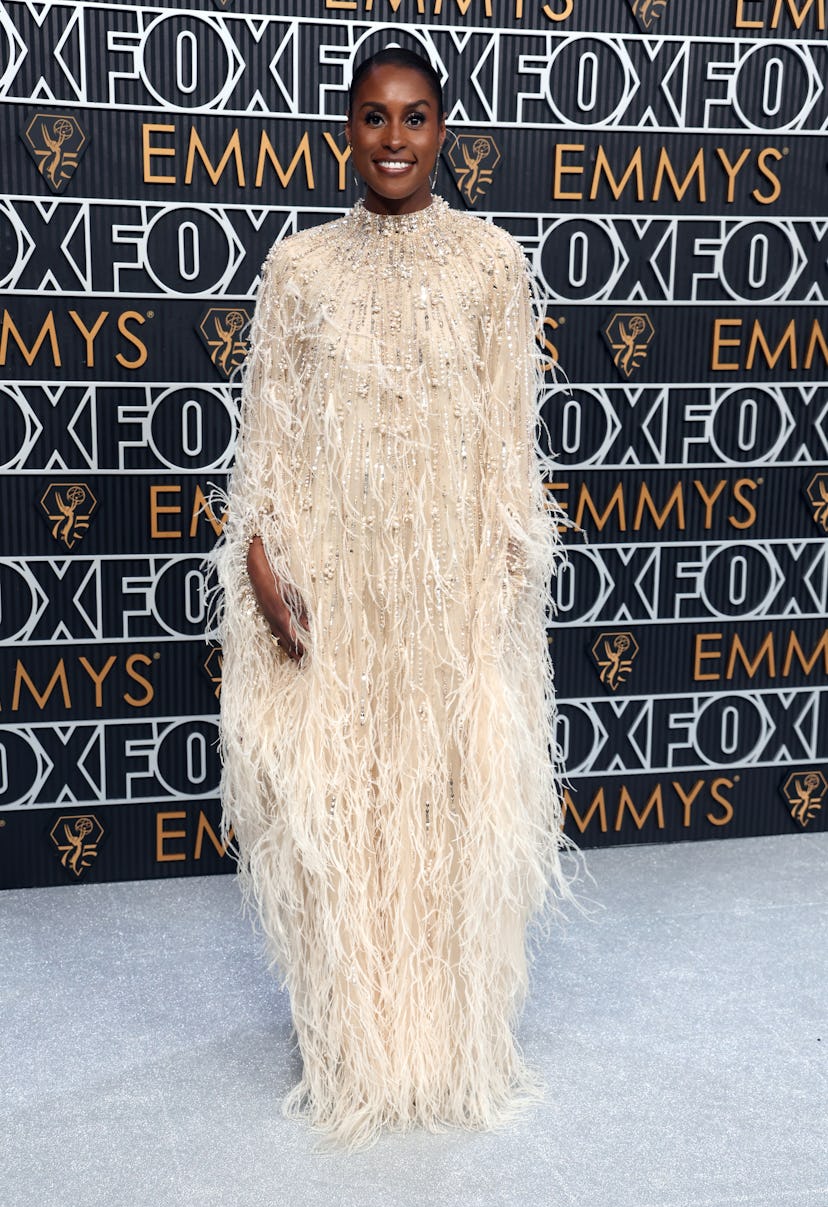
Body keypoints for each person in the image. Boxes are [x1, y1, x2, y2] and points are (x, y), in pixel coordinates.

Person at [213, 46, 583, 1151]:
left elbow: (509, 445)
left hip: (449, 587)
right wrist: (263, 557)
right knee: (345, 810)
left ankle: (447, 1042)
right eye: (373, 117)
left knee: (448, 810)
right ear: (346, 130)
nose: (393, 138)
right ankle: (360, 1043)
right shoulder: (300, 268)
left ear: (443, 129)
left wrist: (501, 586)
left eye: (415, 117)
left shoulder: (490, 263)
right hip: (339, 588)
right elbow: (270, 427)